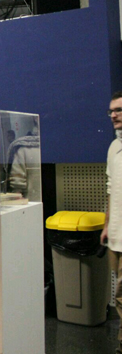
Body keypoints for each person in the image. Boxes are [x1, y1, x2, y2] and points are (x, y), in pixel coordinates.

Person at [101, 91, 122, 354]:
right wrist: (107, 225)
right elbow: (110, 187)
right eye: (112, 111)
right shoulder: (114, 146)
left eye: (119, 110)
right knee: (119, 295)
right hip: (116, 233)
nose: (113, 115)